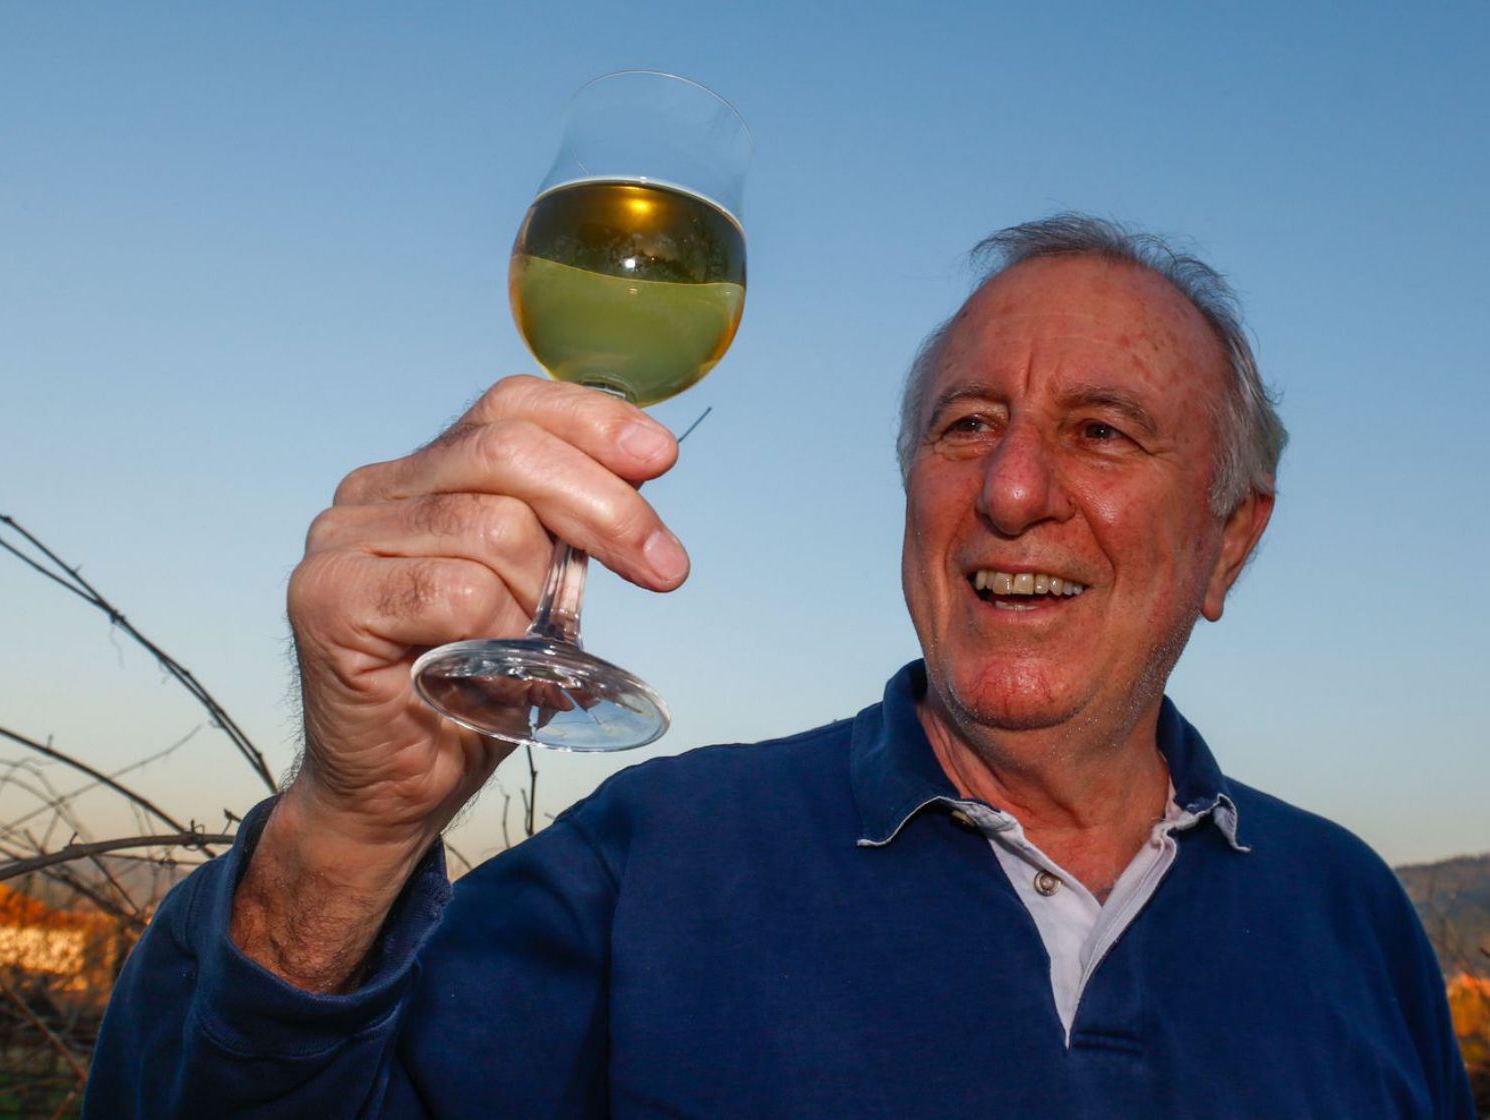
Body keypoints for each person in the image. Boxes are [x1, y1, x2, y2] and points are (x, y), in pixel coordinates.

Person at [85, 214, 1473, 1117]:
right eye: (966, 425)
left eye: (1104, 432)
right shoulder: (654, 861)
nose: (1011, 490)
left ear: (1230, 543)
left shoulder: (1352, 914)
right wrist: (346, 831)